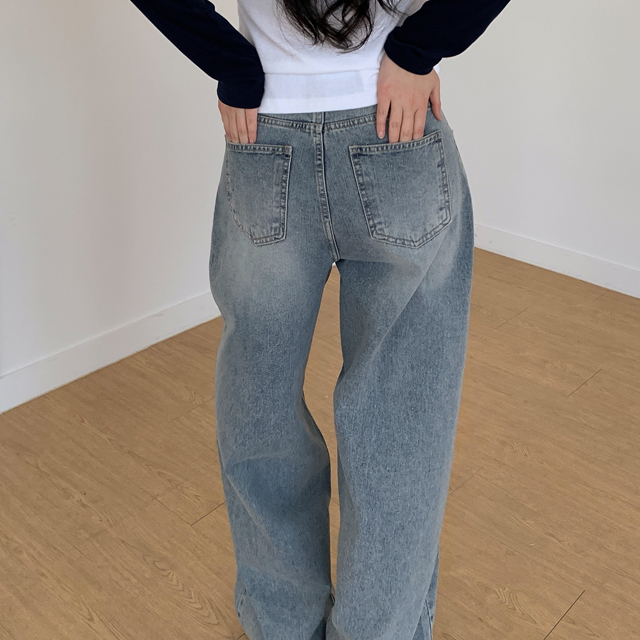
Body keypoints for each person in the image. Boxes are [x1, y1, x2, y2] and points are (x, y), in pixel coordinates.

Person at [128, 0, 511, 638]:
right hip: (393, 124)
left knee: (259, 410)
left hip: (268, 135)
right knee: (401, 423)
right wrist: (416, 51)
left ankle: (283, 626)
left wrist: (234, 65)